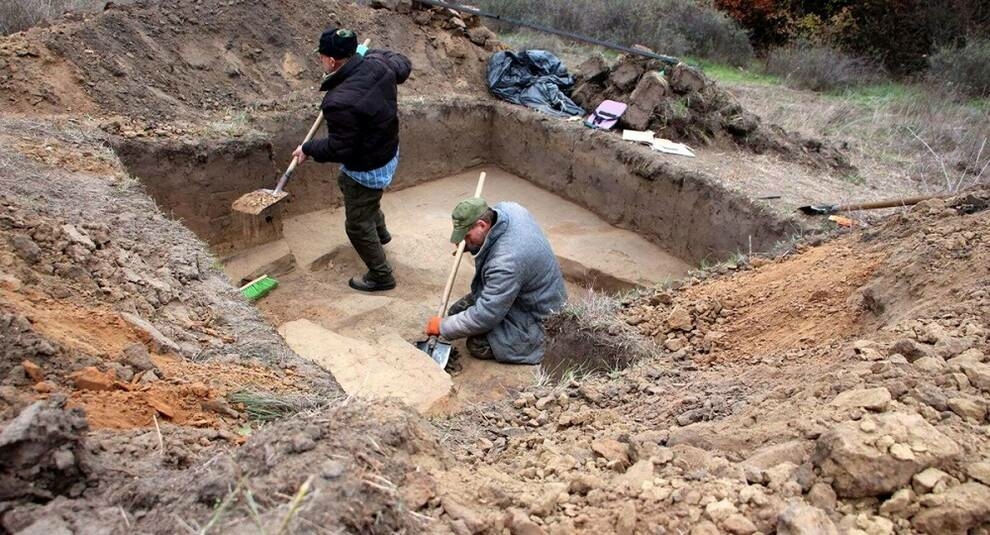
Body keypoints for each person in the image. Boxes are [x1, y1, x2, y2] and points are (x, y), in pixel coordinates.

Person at [292, 28, 411, 292]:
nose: (321, 61)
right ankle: (380, 233)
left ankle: (381, 276)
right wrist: (372, 54)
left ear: (332, 60)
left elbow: (340, 149)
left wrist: (309, 148)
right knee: (351, 187)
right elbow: (402, 64)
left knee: (357, 225)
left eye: (322, 57)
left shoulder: (339, 102)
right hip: (387, 149)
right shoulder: (379, 66)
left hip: (368, 164)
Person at [425, 198, 567, 364]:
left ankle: (533, 343)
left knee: (476, 344)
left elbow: (486, 315)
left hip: (541, 317)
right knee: (455, 312)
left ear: (482, 225)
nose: (464, 241)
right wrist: (471, 244)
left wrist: (442, 327)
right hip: (523, 290)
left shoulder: (506, 261)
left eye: (467, 236)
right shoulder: (509, 209)